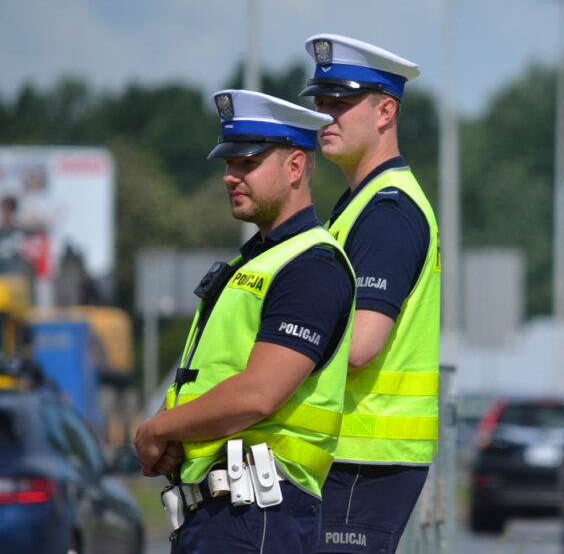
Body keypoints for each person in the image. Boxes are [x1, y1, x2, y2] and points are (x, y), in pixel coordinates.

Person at [134, 89, 356, 554]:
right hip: (224, 516)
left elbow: (257, 394)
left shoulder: (312, 266)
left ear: (295, 166)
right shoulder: (253, 260)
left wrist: (161, 429)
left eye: (247, 163)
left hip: (258, 515)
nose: (229, 177)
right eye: (228, 164)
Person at [298, 34, 440, 553]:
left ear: (385, 111)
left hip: (366, 458)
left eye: (341, 104)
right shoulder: (358, 205)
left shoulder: (387, 211)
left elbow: (360, 344)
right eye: (320, 103)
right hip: (355, 454)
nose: (324, 117)